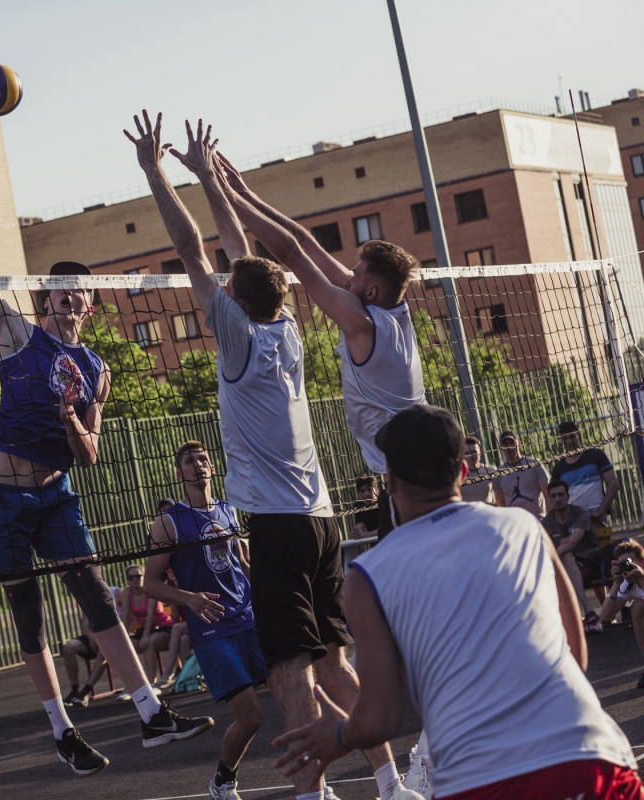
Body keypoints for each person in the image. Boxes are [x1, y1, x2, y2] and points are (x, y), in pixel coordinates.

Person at [127, 110, 418, 800]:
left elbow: (193, 248)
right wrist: (205, 176)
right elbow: (233, 250)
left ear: (233, 299)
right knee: (336, 662)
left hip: (281, 524)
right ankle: (392, 783)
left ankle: (313, 792)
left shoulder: (234, 336)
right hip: (319, 520)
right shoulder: (286, 329)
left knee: (292, 671)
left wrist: (154, 170)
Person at [273, 405, 642, 800]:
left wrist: (341, 734)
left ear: (390, 481)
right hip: (591, 757)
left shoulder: (368, 576)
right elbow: (575, 655)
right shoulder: (524, 526)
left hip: (481, 779)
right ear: (463, 473)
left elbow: (382, 717)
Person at [0, 253, 212, 777]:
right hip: (0, 497)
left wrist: (77, 418)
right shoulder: (21, 338)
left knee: (95, 594)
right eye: (58, 289)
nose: (66, 295)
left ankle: (151, 713)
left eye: (77, 290)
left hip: (56, 493)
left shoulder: (95, 369)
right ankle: (62, 729)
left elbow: (87, 454)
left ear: (88, 302)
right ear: (47, 299)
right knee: (28, 613)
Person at [167, 119, 423, 539]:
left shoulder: (360, 321)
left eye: (356, 275)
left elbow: (290, 250)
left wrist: (222, 187)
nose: (347, 278)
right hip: (410, 457)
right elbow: (307, 242)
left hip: (404, 476)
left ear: (371, 289)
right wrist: (243, 194)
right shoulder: (390, 309)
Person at [143, 440, 268, 800]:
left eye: (203, 459)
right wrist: (188, 599)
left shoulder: (229, 511)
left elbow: (241, 567)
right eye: (189, 461)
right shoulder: (169, 522)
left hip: (249, 620)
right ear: (180, 472)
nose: (198, 465)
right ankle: (223, 782)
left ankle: (314, 783)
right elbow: (151, 584)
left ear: (212, 468)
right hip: (213, 631)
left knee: (297, 698)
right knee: (251, 717)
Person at [541, 480, 600, 623]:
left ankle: (582, 611)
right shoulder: (547, 522)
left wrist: (558, 549)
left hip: (590, 561)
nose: (557, 499)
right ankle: (586, 614)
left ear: (568, 496)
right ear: (548, 499)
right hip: (565, 563)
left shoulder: (580, 514)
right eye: (553, 496)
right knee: (563, 560)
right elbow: (544, 548)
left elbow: (572, 543)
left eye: (561, 495)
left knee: (566, 556)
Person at [593, 541, 644, 687]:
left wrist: (642, 578)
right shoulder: (627, 583)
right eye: (623, 564)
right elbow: (605, 616)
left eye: (631, 562)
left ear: (641, 562)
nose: (628, 567)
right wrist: (616, 583)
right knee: (637, 607)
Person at [551, 420, 620, 526]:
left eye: (572, 436)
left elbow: (613, 485)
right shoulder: (558, 468)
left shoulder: (596, 455)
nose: (569, 441)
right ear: (561, 440)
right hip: (573, 521)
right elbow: (553, 497)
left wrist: (599, 512)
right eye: (565, 438)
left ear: (579, 435)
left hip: (596, 520)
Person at [118, 564, 174, 682]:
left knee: (148, 643)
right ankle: (135, 684)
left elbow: (150, 615)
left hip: (163, 626)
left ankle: (151, 682)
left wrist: (145, 636)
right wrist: (124, 638)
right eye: (131, 577)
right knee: (128, 646)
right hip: (145, 629)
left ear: (144, 577)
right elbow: (126, 616)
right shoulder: (127, 592)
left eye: (138, 576)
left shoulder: (149, 589)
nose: (134, 579)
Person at [492, 430, 549, 516]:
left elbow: (547, 495)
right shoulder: (498, 474)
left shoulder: (535, 464)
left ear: (519, 444)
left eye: (512, 443)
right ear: (501, 447)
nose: (509, 447)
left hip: (537, 519)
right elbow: (501, 506)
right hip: (515, 523)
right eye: (505, 444)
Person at [60, 613, 106, 707]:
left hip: (109, 637)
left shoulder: (120, 598)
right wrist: (92, 637)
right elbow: (85, 624)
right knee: (68, 648)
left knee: (104, 653)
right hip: (93, 637)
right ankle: (74, 690)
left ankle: (85, 691)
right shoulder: (91, 598)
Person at [459, 436, 496, 504]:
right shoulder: (457, 475)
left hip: (486, 511)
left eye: (474, 452)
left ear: (480, 452)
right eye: (467, 453)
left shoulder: (490, 470)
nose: (471, 456)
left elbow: (501, 492)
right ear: (462, 455)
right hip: (467, 512)